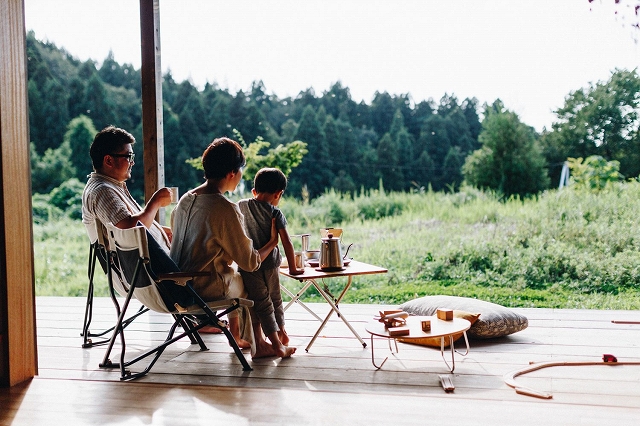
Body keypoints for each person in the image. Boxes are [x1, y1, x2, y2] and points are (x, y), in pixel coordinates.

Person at [169, 137, 282, 358]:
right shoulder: (224, 208)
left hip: (176, 283)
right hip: (204, 287)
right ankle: (258, 343)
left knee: (235, 275)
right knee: (249, 281)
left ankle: (238, 336)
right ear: (232, 173)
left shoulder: (185, 199)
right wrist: (271, 243)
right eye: (241, 171)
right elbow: (249, 262)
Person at [237, 168, 301, 358]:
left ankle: (268, 342)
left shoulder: (240, 205)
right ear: (278, 194)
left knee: (260, 303)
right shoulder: (275, 212)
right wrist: (293, 268)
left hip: (248, 266)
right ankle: (279, 338)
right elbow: (287, 242)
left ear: (254, 191)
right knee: (275, 300)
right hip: (270, 265)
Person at [82, 125, 172, 252]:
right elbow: (130, 231)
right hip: (154, 270)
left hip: (155, 264)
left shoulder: (109, 186)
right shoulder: (102, 190)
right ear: (108, 160)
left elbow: (129, 224)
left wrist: (159, 231)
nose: (132, 162)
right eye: (128, 156)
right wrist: (155, 202)